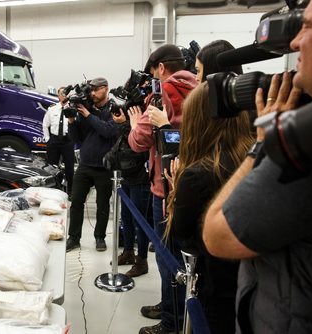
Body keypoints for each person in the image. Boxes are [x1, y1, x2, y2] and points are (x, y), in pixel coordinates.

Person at [202, 1, 312, 332]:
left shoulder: (308, 146)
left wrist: (264, 142)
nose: (296, 42)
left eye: (308, 26)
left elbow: (218, 234)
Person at [160, 82, 253, 333]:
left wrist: (175, 188)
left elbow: (185, 237)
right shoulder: (254, 159)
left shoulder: (197, 175)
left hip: (217, 287)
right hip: (255, 286)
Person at [129, 44, 197, 334]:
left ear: (159, 68)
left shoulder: (163, 93)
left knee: (166, 255)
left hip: (165, 184)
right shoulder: (198, 88)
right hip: (192, 181)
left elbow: (139, 141)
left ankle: (170, 322)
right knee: (182, 255)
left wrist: (133, 124)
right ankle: (172, 305)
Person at [65, 77, 118, 252]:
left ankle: (100, 238)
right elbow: (78, 139)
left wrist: (88, 115)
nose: (93, 93)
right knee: (76, 202)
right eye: (91, 90)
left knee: (103, 204)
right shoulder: (86, 108)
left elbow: (108, 131)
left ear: (106, 89)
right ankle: (73, 238)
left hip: (104, 166)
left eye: (96, 90)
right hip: (85, 165)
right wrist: (72, 122)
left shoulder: (114, 108)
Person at [110, 108, 151, 277]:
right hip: (126, 173)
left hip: (140, 176)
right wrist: (124, 124)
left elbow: (139, 142)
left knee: (140, 220)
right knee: (126, 217)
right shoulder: (130, 118)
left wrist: (125, 124)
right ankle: (128, 252)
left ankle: (142, 261)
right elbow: (126, 140)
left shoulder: (147, 114)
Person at [42, 87, 75, 197]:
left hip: (68, 141)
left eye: (66, 93)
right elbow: (45, 125)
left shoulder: (72, 108)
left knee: (69, 167)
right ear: (58, 96)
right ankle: (53, 189)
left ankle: (70, 190)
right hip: (54, 141)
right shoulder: (52, 109)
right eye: (62, 93)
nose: (64, 96)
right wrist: (48, 140)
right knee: (51, 166)